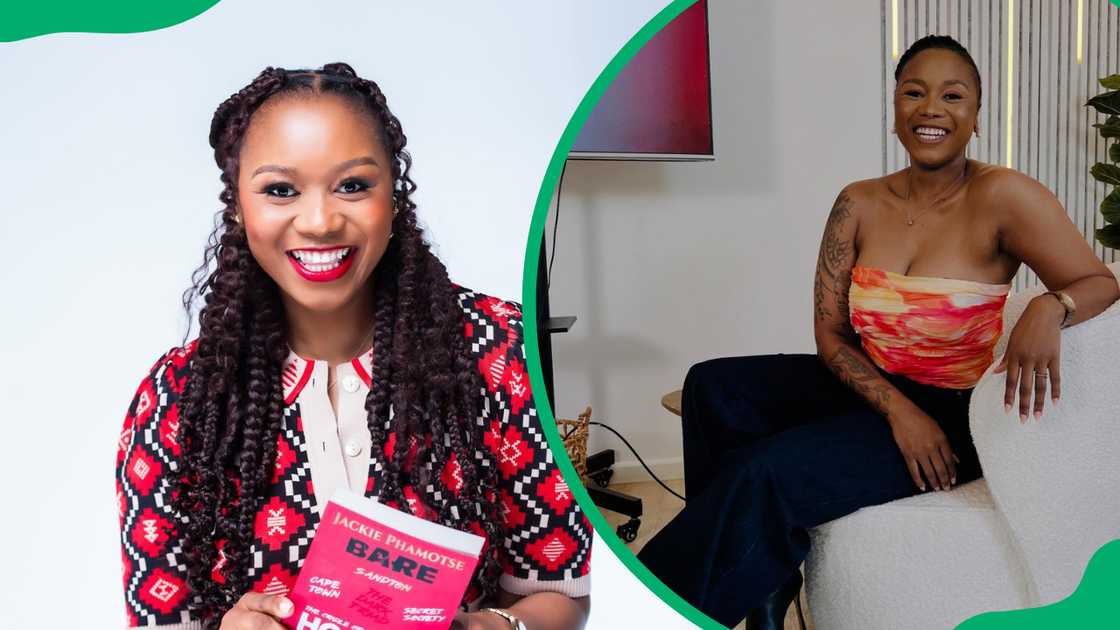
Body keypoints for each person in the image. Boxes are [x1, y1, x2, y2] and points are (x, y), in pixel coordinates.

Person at [636, 35, 1120, 629]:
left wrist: (1053, 305)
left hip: (951, 415)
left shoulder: (1005, 196)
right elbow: (831, 335)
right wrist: (895, 410)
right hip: (874, 386)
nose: (931, 109)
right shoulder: (859, 201)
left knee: (764, 471)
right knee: (713, 388)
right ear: (894, 111)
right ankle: (762, 581)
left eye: (953, 95)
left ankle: (649, 612)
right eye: (914, 93)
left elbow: (1100, 281)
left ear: (975, 115)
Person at [115, 63, 591, 630]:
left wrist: (487, 627)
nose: (318, 221)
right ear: (238, 208)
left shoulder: (499, 352)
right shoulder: (178, 401)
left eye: (353, 185)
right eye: (280, 190)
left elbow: (559, 593)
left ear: (394, 197)